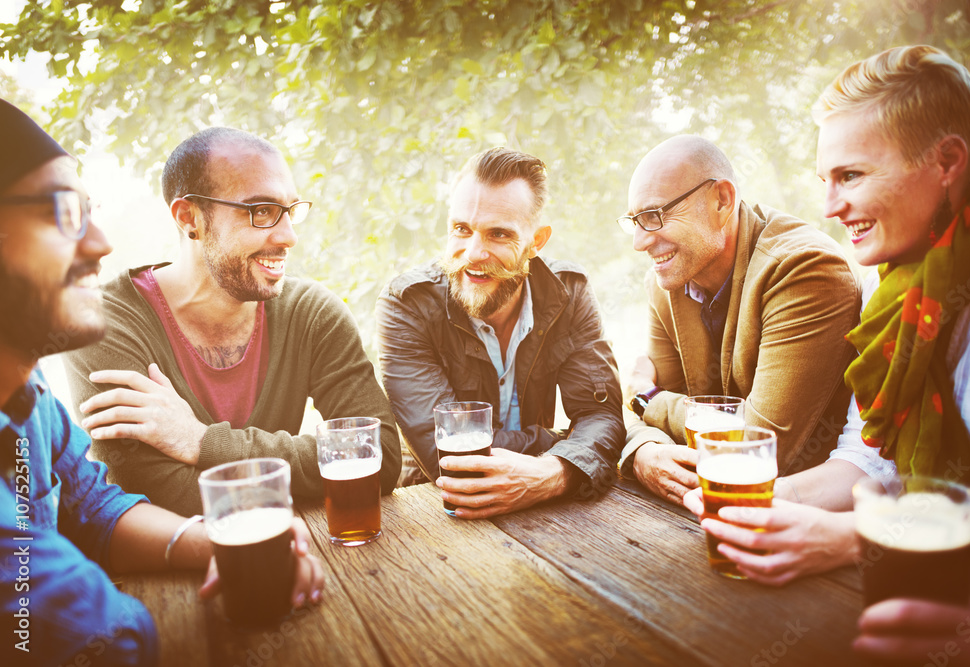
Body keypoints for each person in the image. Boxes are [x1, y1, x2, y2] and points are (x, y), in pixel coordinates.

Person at [682, 45, 970, 665]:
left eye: (851, 176)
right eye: (824, 180)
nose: (829, 208)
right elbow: (869, 464)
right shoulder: (894, 293)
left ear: (947, 162)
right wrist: (765, 502)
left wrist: (858, 540)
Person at [0, 99, 324, 666]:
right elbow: (110, 639)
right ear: (189, 219)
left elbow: (98, 506)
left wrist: (218, 543)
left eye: (90, 211)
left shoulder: (31, 406)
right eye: (64, 212)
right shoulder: (118, 331)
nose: (100, 242)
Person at [62, 128, 401, 516]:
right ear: (189, 217)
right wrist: (305, 475)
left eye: (290, 211)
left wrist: (203, 443)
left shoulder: (312, 314)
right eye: (261, 211)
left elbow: (378, 458)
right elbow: (151, 497)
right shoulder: (103, 324)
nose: (288, 235)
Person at [375, 147, 625, 517]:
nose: (474, 253)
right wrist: (562, 445)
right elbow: (450, 453)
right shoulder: (407, 304)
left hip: (542, 507)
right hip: (430, 508)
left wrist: (554, 473)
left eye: (498, 234)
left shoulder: (568, 292)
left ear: (536, 242)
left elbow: (601, 415)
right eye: (461, 229)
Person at [617, 135, 860, 505]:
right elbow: (645, 421)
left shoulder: (806, 269)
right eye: (635, 221)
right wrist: (644, 448)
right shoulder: (666, 280)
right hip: (702, 512)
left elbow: (758, 448)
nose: (639, 242)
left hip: (803, 520)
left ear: (722, 200)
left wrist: (645, 398)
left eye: (654, 217)